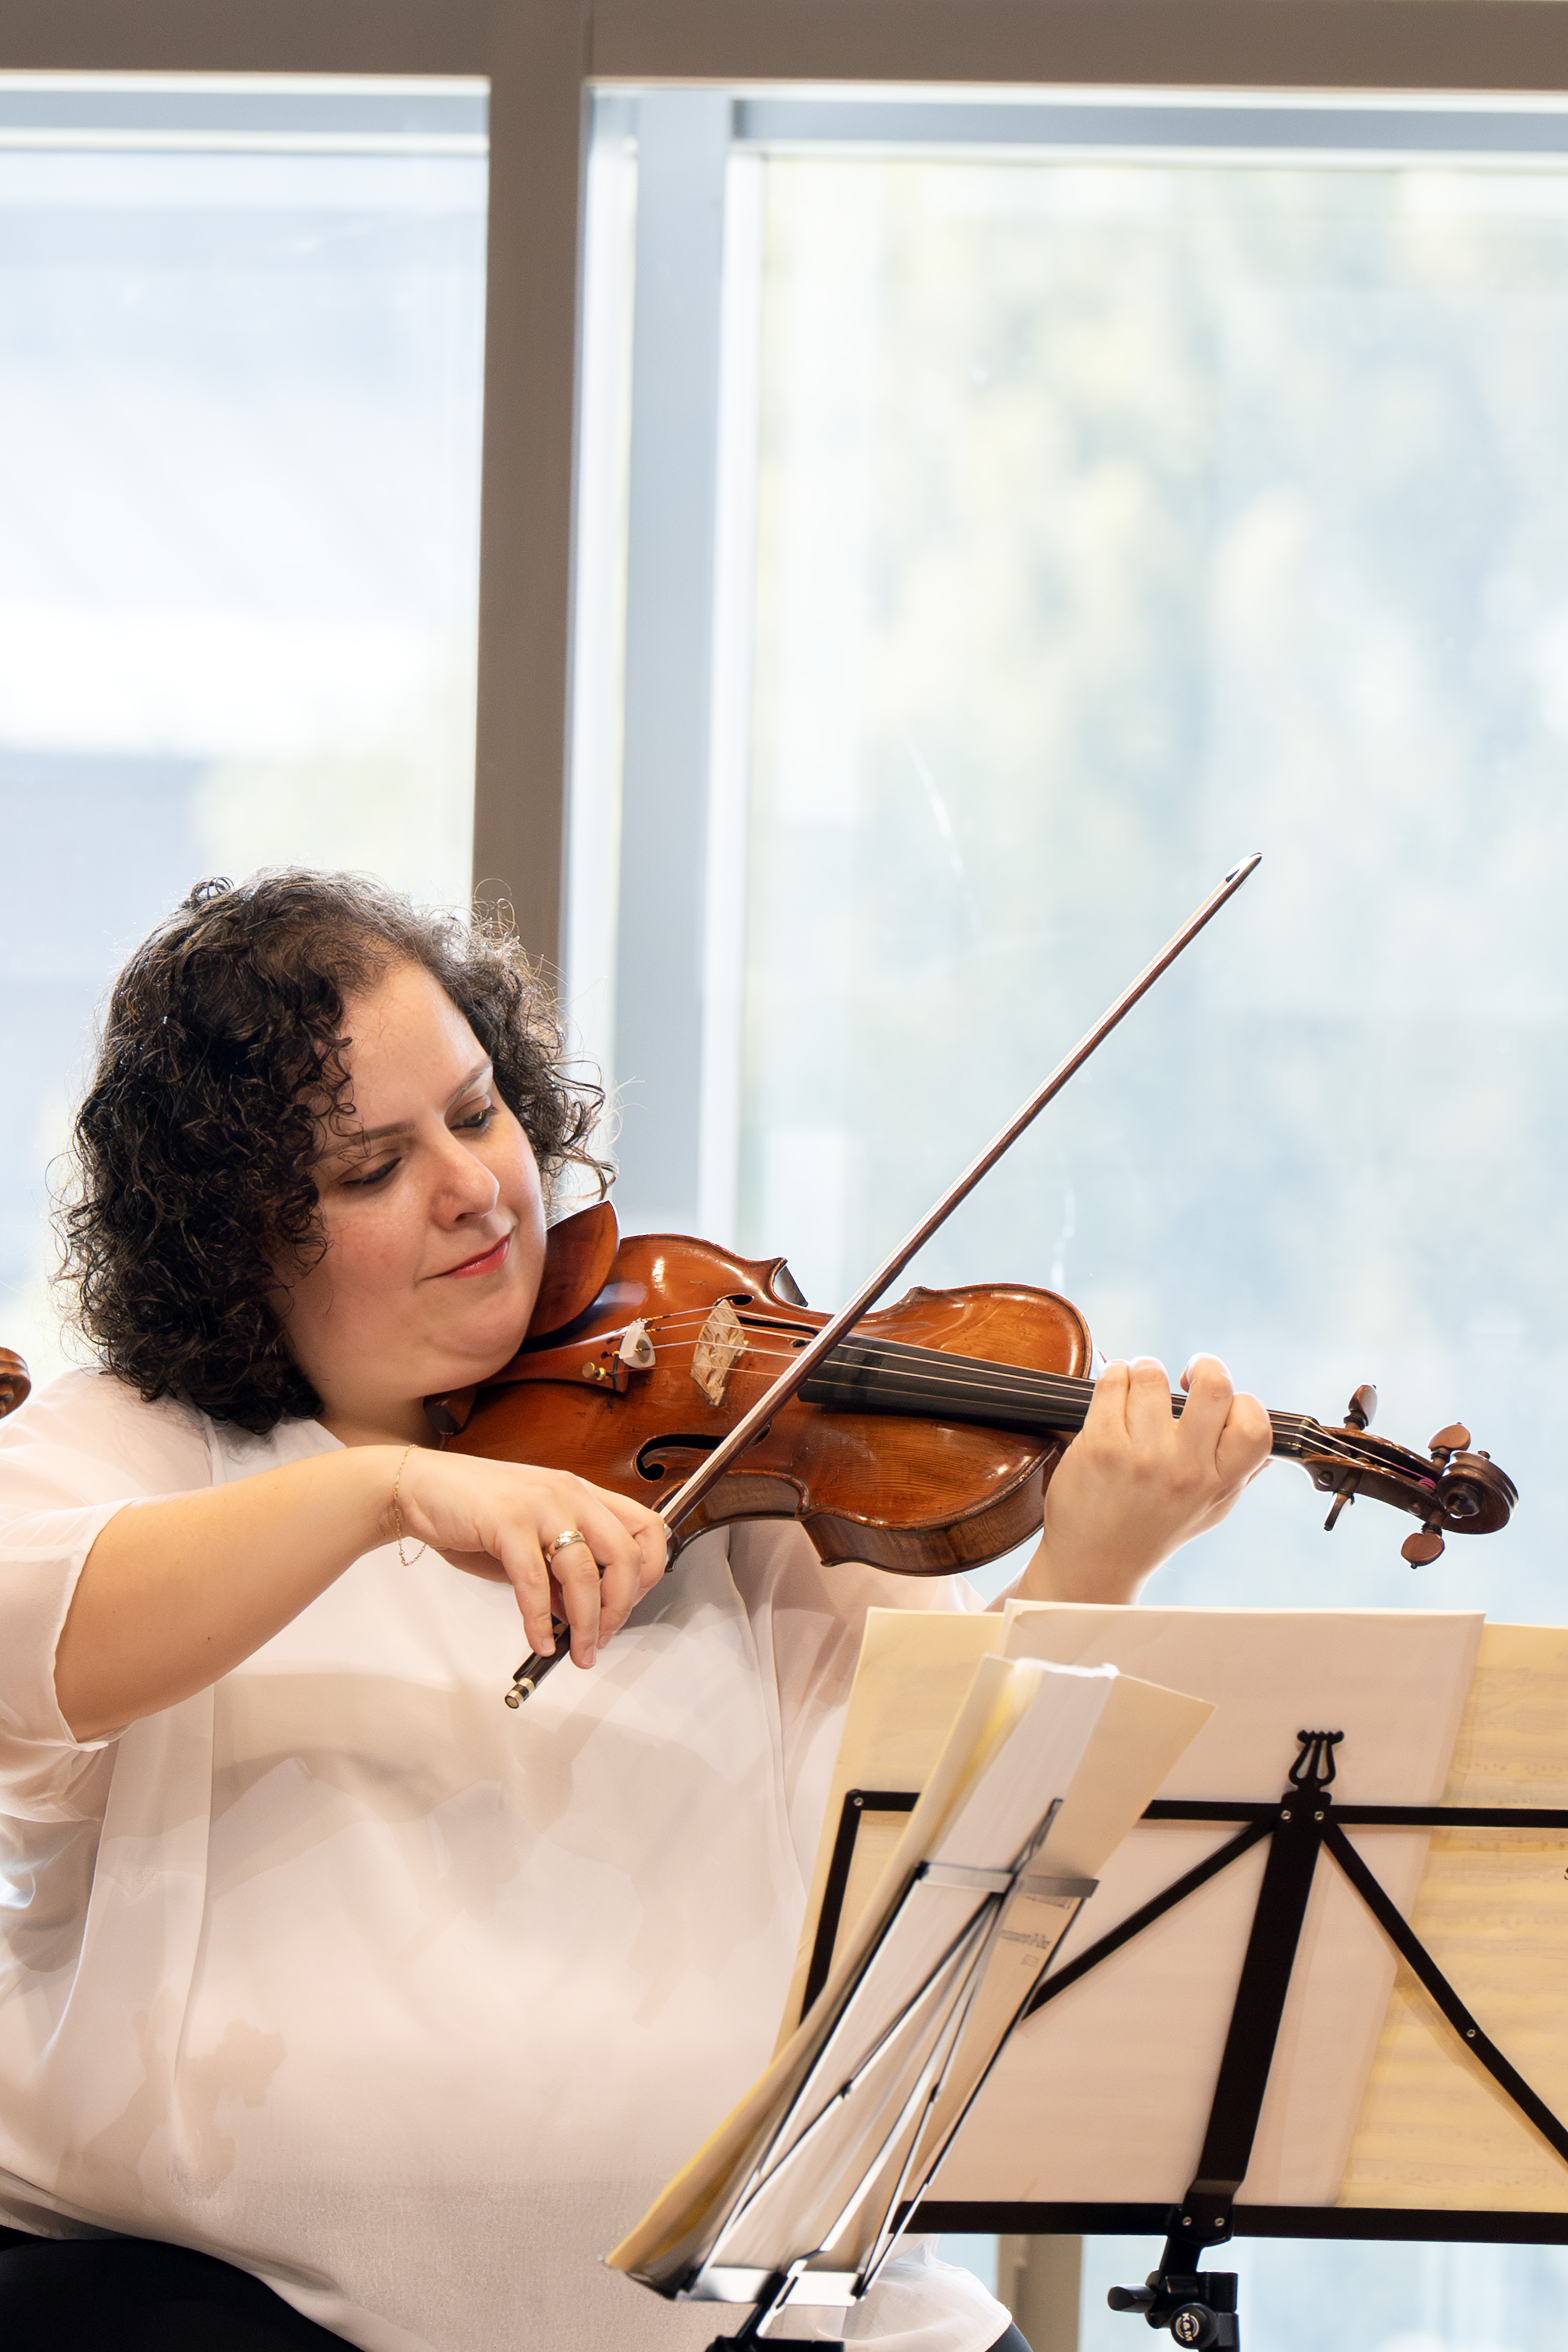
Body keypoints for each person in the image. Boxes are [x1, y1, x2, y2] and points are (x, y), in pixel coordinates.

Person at [0, 872, 1273, 2352]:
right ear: (232, 1239)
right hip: (231, 2320)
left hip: (762, 2324)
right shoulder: (136, 1451)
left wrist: (1089, 1575)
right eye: (369, 1171)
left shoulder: (730, 1478)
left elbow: (915, 1921)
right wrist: (388, 1496)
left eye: (478, 1116)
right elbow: (27, 1637)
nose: (475, 1187)